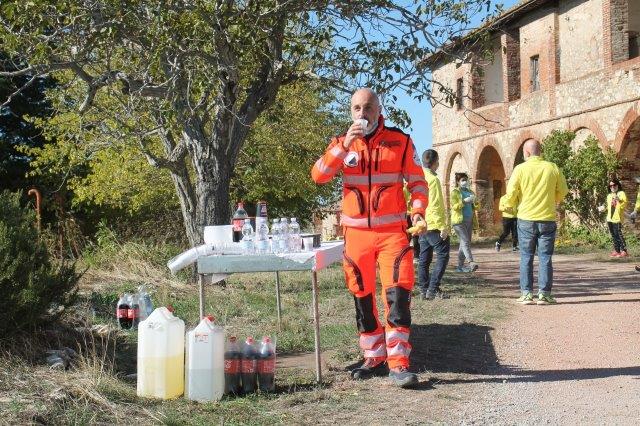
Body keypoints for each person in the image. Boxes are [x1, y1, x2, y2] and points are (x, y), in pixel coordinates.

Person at [311, 88, 428, 388]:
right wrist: (343, 147)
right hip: (356, 235)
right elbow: (319, 176)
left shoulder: (400, 141)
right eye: (356, 108)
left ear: (379, 110)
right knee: (361, 294)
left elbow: (417, 182)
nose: (362, 114)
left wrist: (418, 212)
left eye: (368, 108)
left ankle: (398, 362)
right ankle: (373, 356)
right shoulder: (341, 143)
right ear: (350, 111)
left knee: (398, 293)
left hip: (392, 233)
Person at [502, 140, 568, 305]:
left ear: (526, 152)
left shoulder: (520, 169)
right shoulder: (552, 167)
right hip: (547, 218)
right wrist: (552, 200)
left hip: (526, 218)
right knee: (545, 257)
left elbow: (511, 193)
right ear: (540, 151)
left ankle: (526, 294)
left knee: (526, 257)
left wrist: (508, 205)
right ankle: (544, 294)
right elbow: (563, 191)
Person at [417, 149, 451, 300]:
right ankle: (433, 289)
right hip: (433, 224)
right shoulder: (433, 180)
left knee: (424, 259)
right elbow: (436, 204)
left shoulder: (418, 177)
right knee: (443, 255)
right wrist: (443, 226)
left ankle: (423, 290)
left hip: (421, 223)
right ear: (435, 162)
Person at [450, 172, 479, 272]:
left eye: (466, 180)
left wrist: (475, 202)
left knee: (464, 243)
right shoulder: (455, 192)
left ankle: (460, 267)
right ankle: (471, 262)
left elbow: (476, 207)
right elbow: (454, 206)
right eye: (463, 180)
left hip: (469, 220)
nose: (465, 182)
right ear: (458, 182)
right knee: (465, 241)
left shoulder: (470, 192)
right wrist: (464, 201)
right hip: (458, 221)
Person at [598, 178, 628, 258]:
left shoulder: (621, 193)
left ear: (617, 185)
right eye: (610, 186)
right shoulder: (609, 195)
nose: (612, 187)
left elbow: (625, 203)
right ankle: (617, 250)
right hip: (609, 218)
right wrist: (603, 208)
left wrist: (619, 200)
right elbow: (609, 206)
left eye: (614, 185)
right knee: (613, 235)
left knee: (618, 234)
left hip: (617, 218)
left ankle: (624, 251)